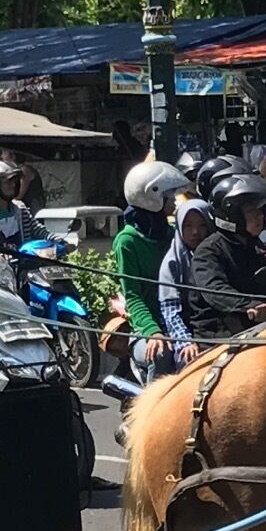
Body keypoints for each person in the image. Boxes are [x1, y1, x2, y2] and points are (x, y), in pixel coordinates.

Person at [182, 171, 266, 341]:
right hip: (217, 335)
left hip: (253, 330)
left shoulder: (250, 246)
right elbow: (214, 290)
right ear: (231, 215)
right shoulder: (208, 251)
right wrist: (248, 306)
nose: (260, 216)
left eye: (261, 210)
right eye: (251, 211)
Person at [110, 156, 181, 377]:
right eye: (169, 196)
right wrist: (153, 332)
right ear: (153, 197)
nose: (175, 201)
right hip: (143, 327)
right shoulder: (128, 241)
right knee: (161, 354)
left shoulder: (171, 234)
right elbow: (133, 296)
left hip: (175, 318)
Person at [157, 188, 216, 360]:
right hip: (182, 332)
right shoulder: (173, 262)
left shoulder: (216, 257)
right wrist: (186, 341)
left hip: (213, 333)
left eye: (202, 225)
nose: (195, 232)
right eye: (188, 226)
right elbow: (170, 311)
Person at [0, 159, 32, 249]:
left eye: (15, 181)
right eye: (8, 182)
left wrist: (59, 241)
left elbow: (36, 229)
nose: (13, 185)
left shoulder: (20, 208)